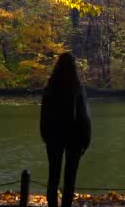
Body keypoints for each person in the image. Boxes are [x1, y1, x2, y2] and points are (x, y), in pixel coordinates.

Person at [40, 52, 91, 207]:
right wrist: (86, 140)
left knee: (53, 176)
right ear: (74, 67)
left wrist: (45, 135)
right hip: (74, 137)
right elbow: (83, 116)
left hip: (54, 137)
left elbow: (44, 115)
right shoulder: (77, 87)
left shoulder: (50, 87)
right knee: (70, 177)